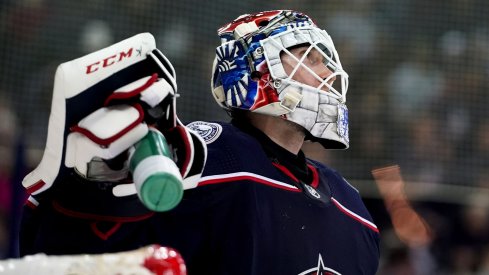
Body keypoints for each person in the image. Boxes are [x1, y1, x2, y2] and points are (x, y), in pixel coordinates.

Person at [19, 10, 380, 274]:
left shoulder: (356, 211)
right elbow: (72, 246)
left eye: (325, 59)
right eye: (308, 56)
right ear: (254, 70)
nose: (326, 71)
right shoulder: (209, 155)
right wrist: (89, 180)